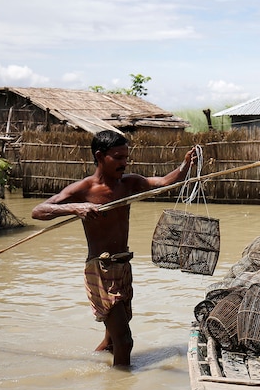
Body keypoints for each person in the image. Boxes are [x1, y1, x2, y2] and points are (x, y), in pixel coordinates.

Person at [32, 130, 197, 367]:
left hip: (122, 265)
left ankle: (94, 367)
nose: (124, 163)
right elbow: (38, 211)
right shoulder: (84, 189)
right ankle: (121, 389)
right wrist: (75, 208)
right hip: (102, 268)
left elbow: (163, 182)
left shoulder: (129, 184)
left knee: (112, 340)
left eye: (126, 157)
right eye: (118, 157)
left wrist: (185, 165)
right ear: (100, 156)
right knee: (125, 340)